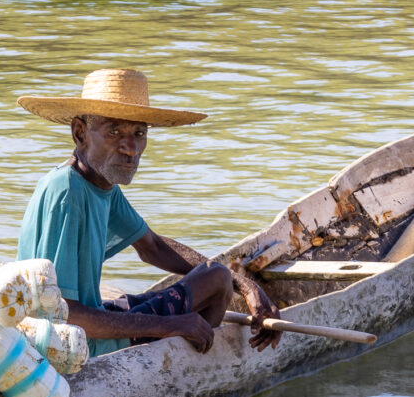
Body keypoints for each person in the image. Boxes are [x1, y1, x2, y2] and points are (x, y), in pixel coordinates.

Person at [15, 68, 281, 357]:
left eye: (139, 133)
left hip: (88, 323)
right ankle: (190, 362)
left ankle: (189, 351)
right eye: (114, 131)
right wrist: (166, 325)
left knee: (217, 277)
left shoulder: (100, 185)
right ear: (80, 133)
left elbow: (151, 246)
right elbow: (65, 315)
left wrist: (244, 284)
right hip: (76, 346)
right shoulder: (67, 192)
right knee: (217, 283)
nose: (131, 148)